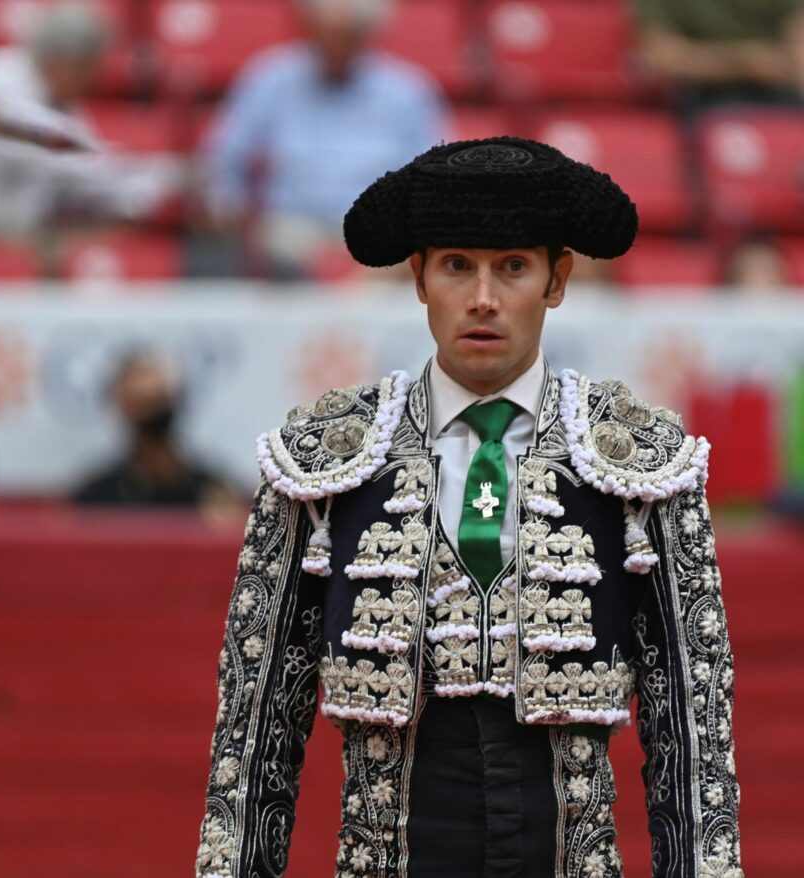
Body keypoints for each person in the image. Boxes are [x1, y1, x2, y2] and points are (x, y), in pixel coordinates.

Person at [196, 138, 743, 877]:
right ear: (419, 277)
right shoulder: (325, 459)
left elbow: (693, 729)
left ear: (557, 280)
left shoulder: (640, 461)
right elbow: (256, 726)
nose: (483, 297)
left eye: (512, 267)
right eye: (458, 265)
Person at [0, 1, 180, 239]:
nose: (92, 79)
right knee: (60, 223)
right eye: (88, 67)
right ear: (64, 61)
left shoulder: (60, 98)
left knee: (76, 216)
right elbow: (58, 157)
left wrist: (142, 185)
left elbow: (85, 164)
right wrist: (152, 176)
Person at [198, 0, 447, 278]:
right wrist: (232, 209)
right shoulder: (269, 79)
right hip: (289, 237)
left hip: (377, 235)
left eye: (346, 34)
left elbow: (435, 180)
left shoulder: (408, 92)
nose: (334, 45)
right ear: (308, 28)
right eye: (326, 32)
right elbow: (223, 161)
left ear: (367, 33)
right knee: (277, 245)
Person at [72, 351, 240, 519]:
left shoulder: (212, 491)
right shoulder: (99, 499)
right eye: (142, 400)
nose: (152, 405)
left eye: (159, 399)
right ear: (123, 408)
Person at [633, 0, 804, 106]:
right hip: (708, 95)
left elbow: (796, 36)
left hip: (782, 91)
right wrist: (746, 63)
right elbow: (661, 59)